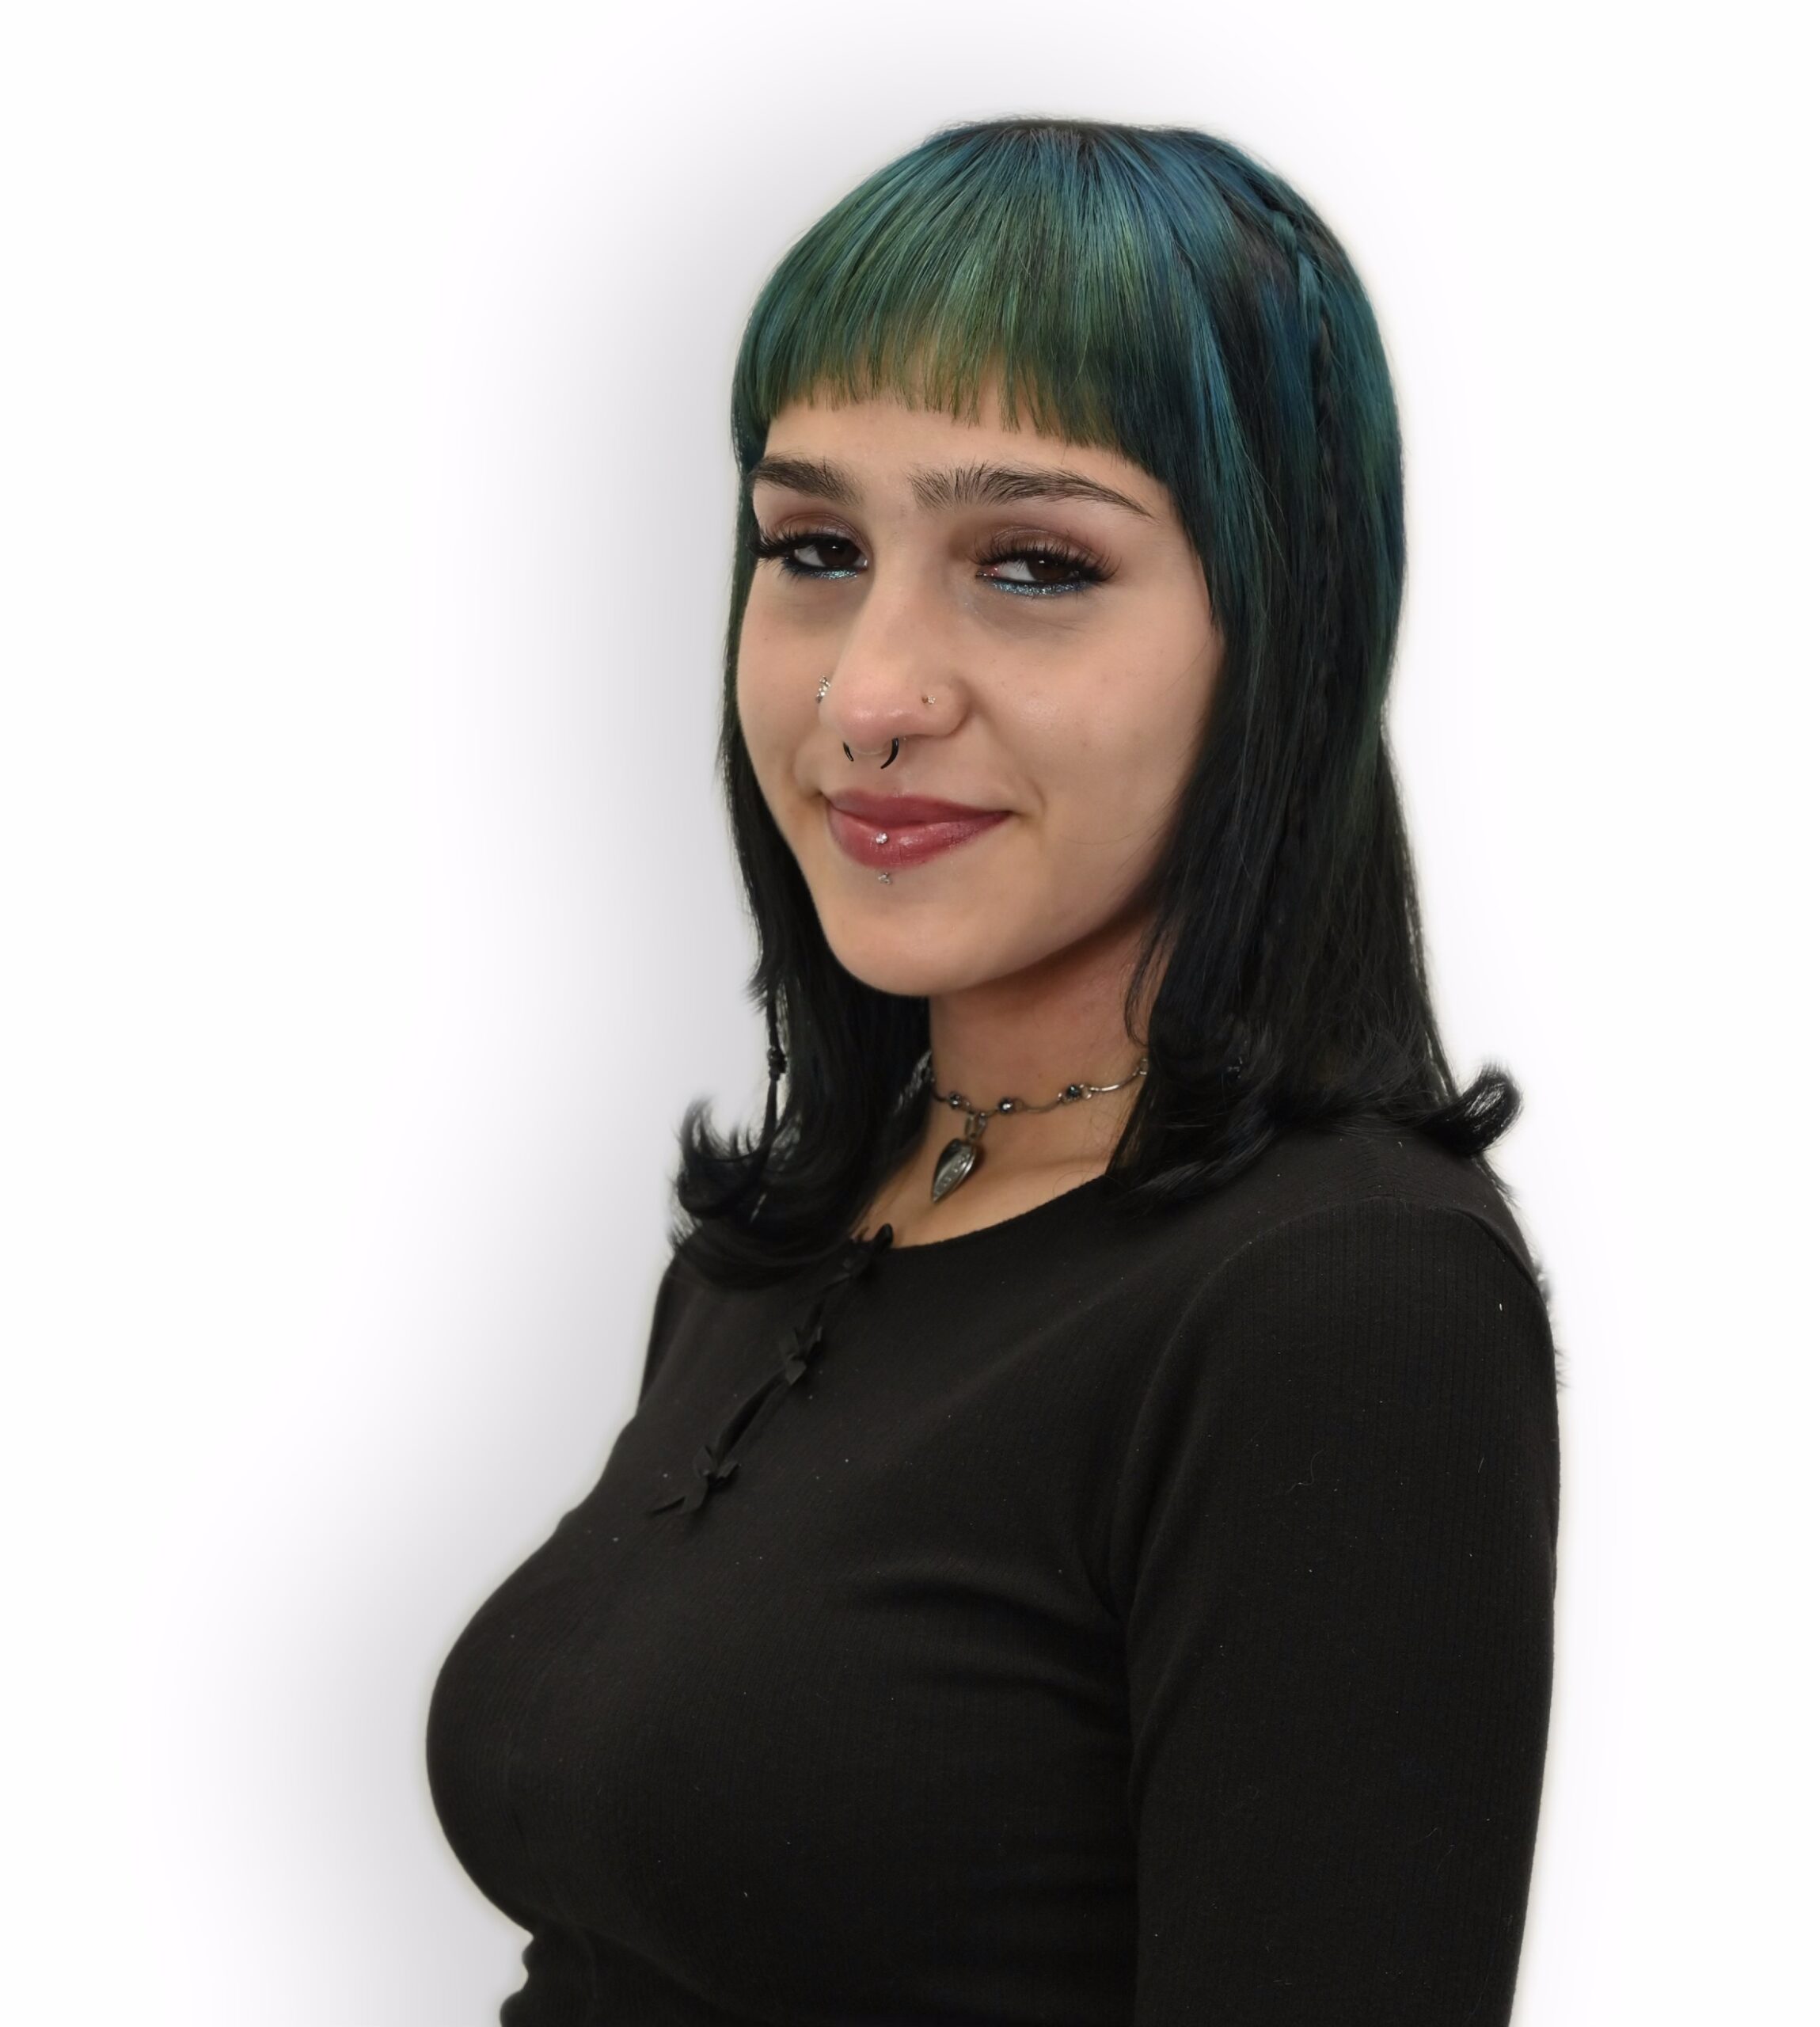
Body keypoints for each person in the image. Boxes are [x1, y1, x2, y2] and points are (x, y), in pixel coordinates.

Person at [426, 115, 1561, 2024]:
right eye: (813, 549)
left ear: (1280, 634)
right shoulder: (805, 1232)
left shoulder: (1341, 1299)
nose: (866, 692)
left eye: (1031, 563)